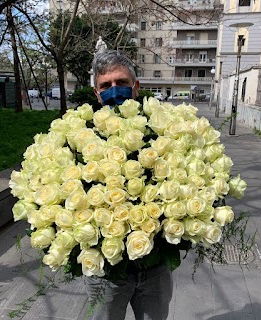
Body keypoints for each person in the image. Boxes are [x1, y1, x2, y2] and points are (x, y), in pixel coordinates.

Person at [83, 49, 173, 320]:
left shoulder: (161, 132)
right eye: (105, 85)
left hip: (154, 267)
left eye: (121, 83)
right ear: (97, 94)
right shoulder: (83, 137)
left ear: (136, 87)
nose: (114, 90)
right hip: (107, 272)